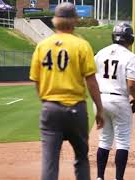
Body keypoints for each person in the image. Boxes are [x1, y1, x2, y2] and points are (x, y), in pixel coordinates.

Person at [29, 3, 104, 180]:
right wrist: (99, 109)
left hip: (50, 109)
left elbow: (36, 80)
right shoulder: (82, 45)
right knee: (81, 159)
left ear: (55, 21)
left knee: (50, 162)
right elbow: (91, 81)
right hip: (76, 110)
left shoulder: (42, 45)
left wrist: (47, 102)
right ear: (74, 21)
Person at [94, 23, 135, 180]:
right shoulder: (130, 56)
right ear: (130, 39)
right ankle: (118, 178)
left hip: (100, 98)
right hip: (119, 99)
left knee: (105, 140)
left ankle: (100, 177)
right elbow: (132, 84)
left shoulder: (100, 53)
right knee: (122, 142)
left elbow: (91, 76)